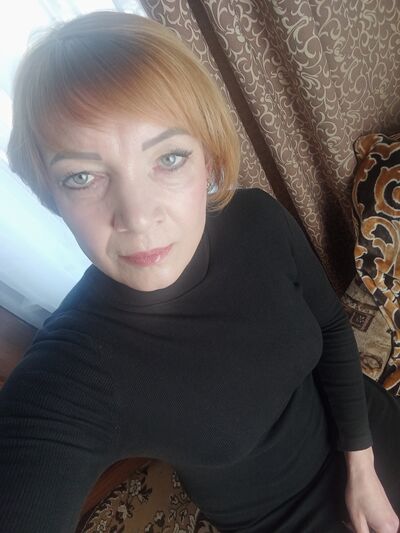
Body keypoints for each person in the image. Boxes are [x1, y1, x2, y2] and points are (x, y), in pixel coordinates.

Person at [1, 10, 400, 533]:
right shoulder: (77, 367)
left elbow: (328, 325)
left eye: (168, 158)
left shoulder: (256, 220)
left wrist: (362, 467)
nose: (138, 217)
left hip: (361, 428)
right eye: (81, 176)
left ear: (208, 158)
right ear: (50, 196)